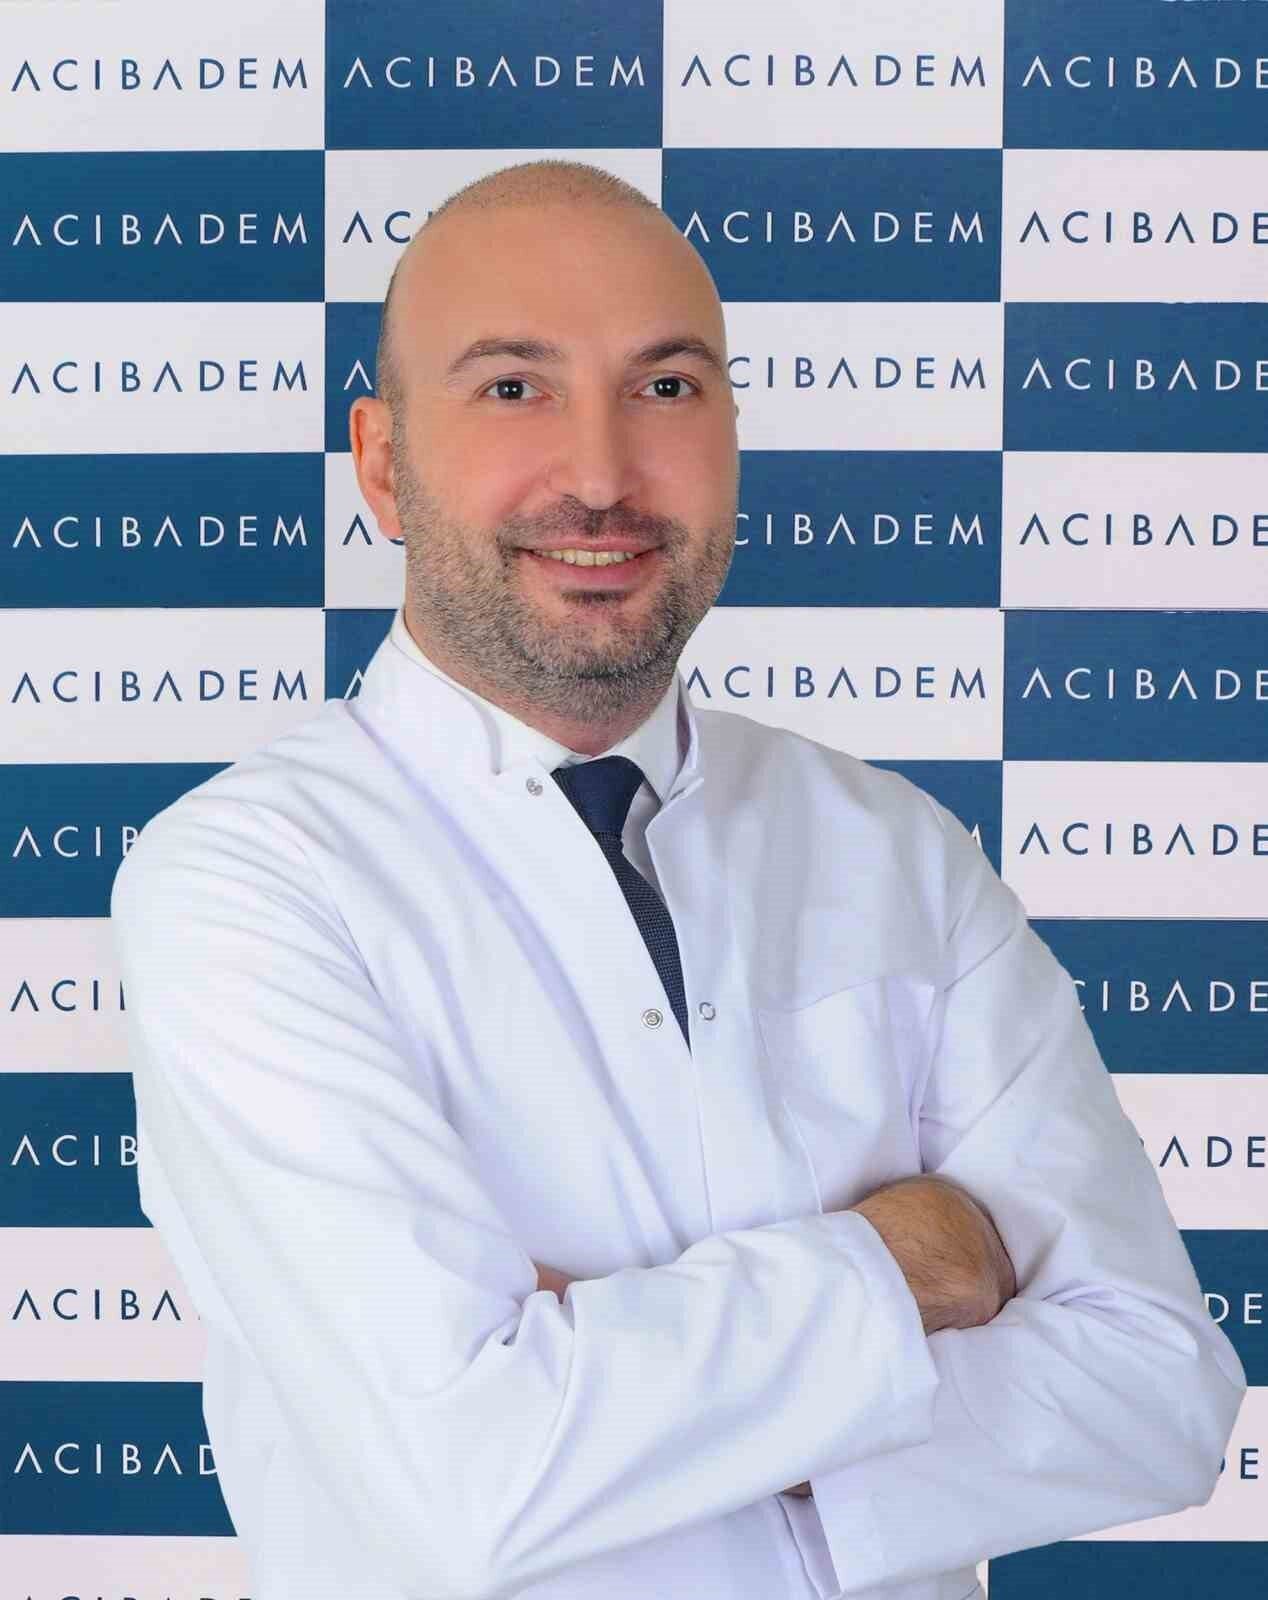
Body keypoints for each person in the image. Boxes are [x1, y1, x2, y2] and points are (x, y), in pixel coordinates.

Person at [109, 160, 1247, 1600]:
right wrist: (907, 1269)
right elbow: (481, 1472)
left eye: (665, 387)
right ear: (385, 466)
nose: (600, 475)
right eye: (513, 388)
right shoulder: (248, 879)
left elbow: (1157, 1387)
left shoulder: (896, 847)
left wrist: (616, 1380)